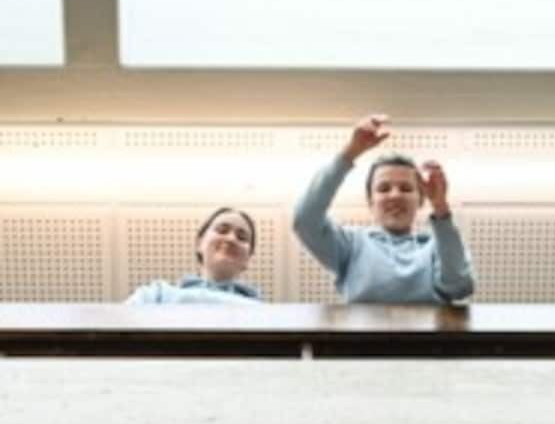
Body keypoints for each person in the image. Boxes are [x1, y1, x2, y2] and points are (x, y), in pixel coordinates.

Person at [293, 114, 474, 304]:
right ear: (370, 201)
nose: (395, 195)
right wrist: (350, 152)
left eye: (406, 188)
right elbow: (305, 220)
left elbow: (458, 286)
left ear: (420, 200)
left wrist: (440, 207)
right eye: (383, 188)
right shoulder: (351, 244)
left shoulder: (439, 245)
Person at [126, 207, 264, 305]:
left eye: (242, 237)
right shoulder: (156, 295)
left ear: (248, 259)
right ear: (199, 243)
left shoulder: (267, 315)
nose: (231, 238)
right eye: (222, 230)